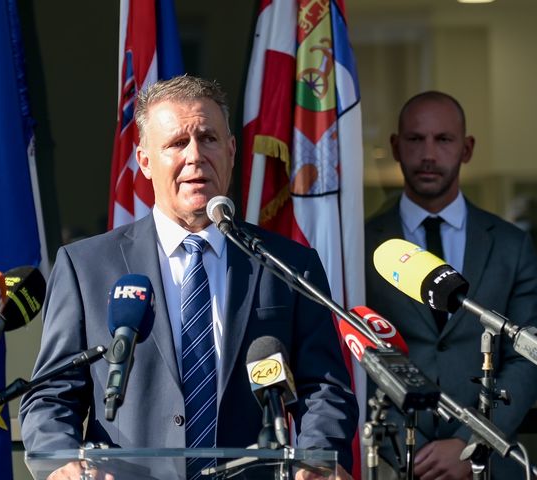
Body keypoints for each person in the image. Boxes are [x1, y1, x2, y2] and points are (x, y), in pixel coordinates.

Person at [19, 76, 358, 480]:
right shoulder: (85, 267)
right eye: (177, 143)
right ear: (145, 161)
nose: (195, 156)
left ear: (231, 151)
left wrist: (317, 460)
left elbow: (324, 388)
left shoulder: (287, 263)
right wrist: (61, 461)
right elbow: (50, 394)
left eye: (208, 138)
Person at [365, 91, 537, 479]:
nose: (428, 154)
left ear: (467, 149)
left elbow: (528, 360)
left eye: (443, 139)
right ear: (396, 147)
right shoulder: (361, 245)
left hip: (488, 463)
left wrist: (472, 442)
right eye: (415, 139)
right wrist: (408, 450)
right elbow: (353, 357)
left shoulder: (511, 245)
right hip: (395, 462)